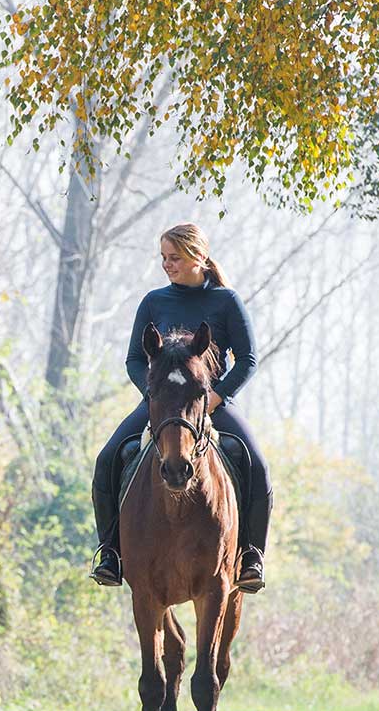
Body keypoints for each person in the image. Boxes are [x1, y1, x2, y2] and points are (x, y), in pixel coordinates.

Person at [89, 223, 270, 592]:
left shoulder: (226, 301)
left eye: (174, 257)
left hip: (210, 404)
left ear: (198, 257)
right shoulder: (153, 302)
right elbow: (134, 360)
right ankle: (111, 553)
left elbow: (247, 360)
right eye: (164, 258)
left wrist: (216, 397)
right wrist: (153, 394)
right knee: (107, 459)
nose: (167, 265)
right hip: (161, 406)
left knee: (258, 466)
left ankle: (251, 555)